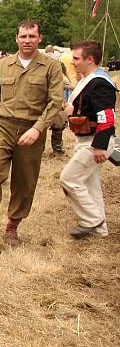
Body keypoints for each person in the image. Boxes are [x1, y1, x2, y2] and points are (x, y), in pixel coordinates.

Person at [0, 19, 64, 249]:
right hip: (3, 127)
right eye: (23, 36)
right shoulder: (3, 65)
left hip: (32, 130)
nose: (27, 40)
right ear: (16, 38)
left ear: (40, 38)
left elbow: (55, 102)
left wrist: (38, 128)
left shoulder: (51, 67)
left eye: (32, 36)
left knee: (24, 182)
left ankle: (12, 228)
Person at [60, 40, 117, 239]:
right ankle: (101, 231)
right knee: (91, 185)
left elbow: (107, 116)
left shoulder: (100, 83)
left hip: (95, 142)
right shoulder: (90, 79)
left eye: (76, 58)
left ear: (90, 59)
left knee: (69, 179)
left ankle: (92, 220)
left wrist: (99, 147)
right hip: (86, 139)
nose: (73, 62)